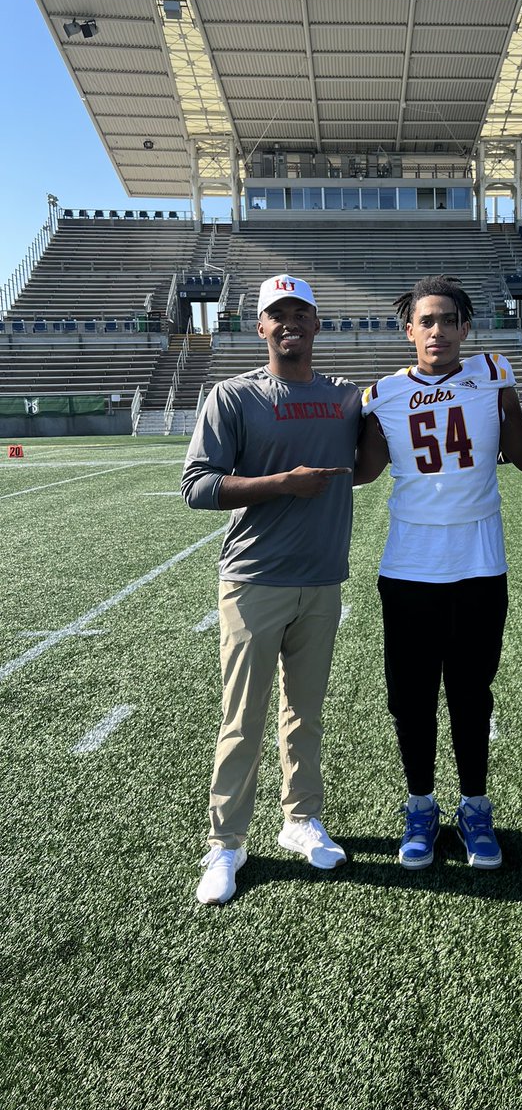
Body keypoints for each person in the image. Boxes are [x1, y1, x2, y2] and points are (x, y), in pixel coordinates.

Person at [182, 273, 361, 905]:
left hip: (322, 580)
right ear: (260, 327)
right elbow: (197, 486)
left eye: (299, 313)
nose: (288, 323)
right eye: (275, 314)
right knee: (242, 719)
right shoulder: (232, 396)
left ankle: (300, 819)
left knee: (304, 715)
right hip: (254, 580)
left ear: (317, 324)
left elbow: (365, 466)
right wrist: (282, 483)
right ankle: (226, 844)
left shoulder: (344, 398)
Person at [354, 274, 522, 870]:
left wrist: (510, 400)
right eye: (425, 321)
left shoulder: (493, 373)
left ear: (464, 328)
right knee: (410, 698)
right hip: (409, 566)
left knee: (472, 693)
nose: (437, 330)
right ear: (409, 332)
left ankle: (475, 807)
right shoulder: (382, 393)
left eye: (446, 320)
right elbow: (364, 471)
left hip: (480, 563)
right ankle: (421, 806)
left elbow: (518, 452)